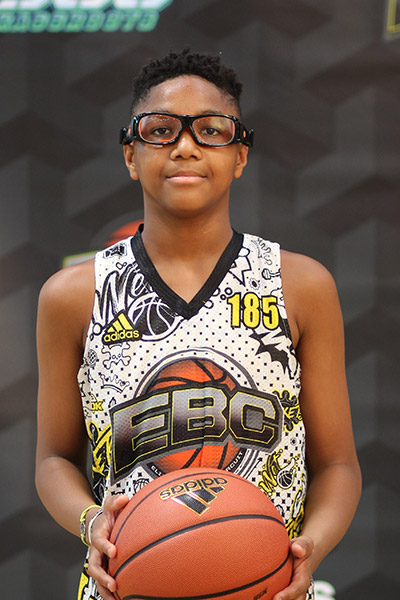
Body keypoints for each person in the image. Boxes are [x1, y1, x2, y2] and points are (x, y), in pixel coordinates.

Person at [35, 48, 362, 600]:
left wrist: (313, 546)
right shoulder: (73, 294)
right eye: (160, 130)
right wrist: (93, 523)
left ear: (240, 155)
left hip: (264, 586)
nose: (185, 146)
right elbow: (53, 459)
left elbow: (336, 464)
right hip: (129, 584)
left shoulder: (300, 284)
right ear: (130, 154)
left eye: (211, 131)